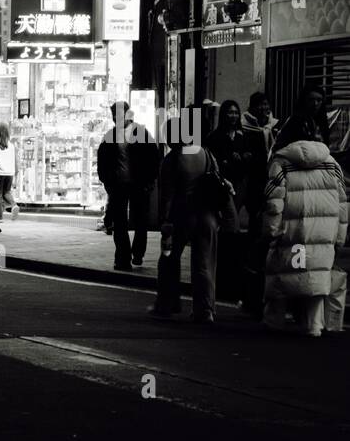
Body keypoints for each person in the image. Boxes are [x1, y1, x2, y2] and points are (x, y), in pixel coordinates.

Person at [261, 117, 349, 337]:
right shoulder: (331, 163)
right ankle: (314, 325)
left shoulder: (280, 163)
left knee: (283, 276)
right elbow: (342, 203)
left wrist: (272, 231)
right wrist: (339, 237)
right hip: (323, 234)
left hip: (292, 236)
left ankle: (275, 321)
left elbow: (274, 203)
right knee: (315, 278)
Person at [151, 105, 226, 323]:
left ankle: (167, 303)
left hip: (181, 216)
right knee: (205, 263)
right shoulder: (205, 153)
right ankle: (205, 310)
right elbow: (217, 179)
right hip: (208, 215)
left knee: (168, 259)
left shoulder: (172, 160)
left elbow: (167, 196)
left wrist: (165, 221)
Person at [206, 99, 268, 309]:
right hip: (225, 187)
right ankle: (228, 272)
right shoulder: (215, 138)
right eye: (229, 113)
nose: (232, 116)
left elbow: (255, 160)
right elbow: (214, 162)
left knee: (240, 230)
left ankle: (235, 272)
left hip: (242, 185)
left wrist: (244, 157)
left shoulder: (245, 136)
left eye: (235, 113)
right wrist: (228, 161)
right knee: (230, 229)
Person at [97, 101, 158, 270]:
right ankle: (122, 257)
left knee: (140, 220)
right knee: (120, 222)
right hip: (118, 185)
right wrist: (106, 180)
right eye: (114, 115)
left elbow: (153, 157)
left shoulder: (140, 132)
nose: (117, 118)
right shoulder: (110, 135)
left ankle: (138, 252)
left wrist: (150, 180)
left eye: (120, 114)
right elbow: (102, 160)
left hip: (139, 184)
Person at [0, 122, 19, 223]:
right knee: (7, 192)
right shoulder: (12, 146)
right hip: (10, 173)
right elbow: (16, 161)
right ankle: (14, 205)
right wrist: (16, 172)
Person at [243, 91, 278, 160]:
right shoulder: (244, 126)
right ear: (252, 108)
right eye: (259, 104)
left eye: (265, 104)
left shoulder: (275, 124)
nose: (263, 107)